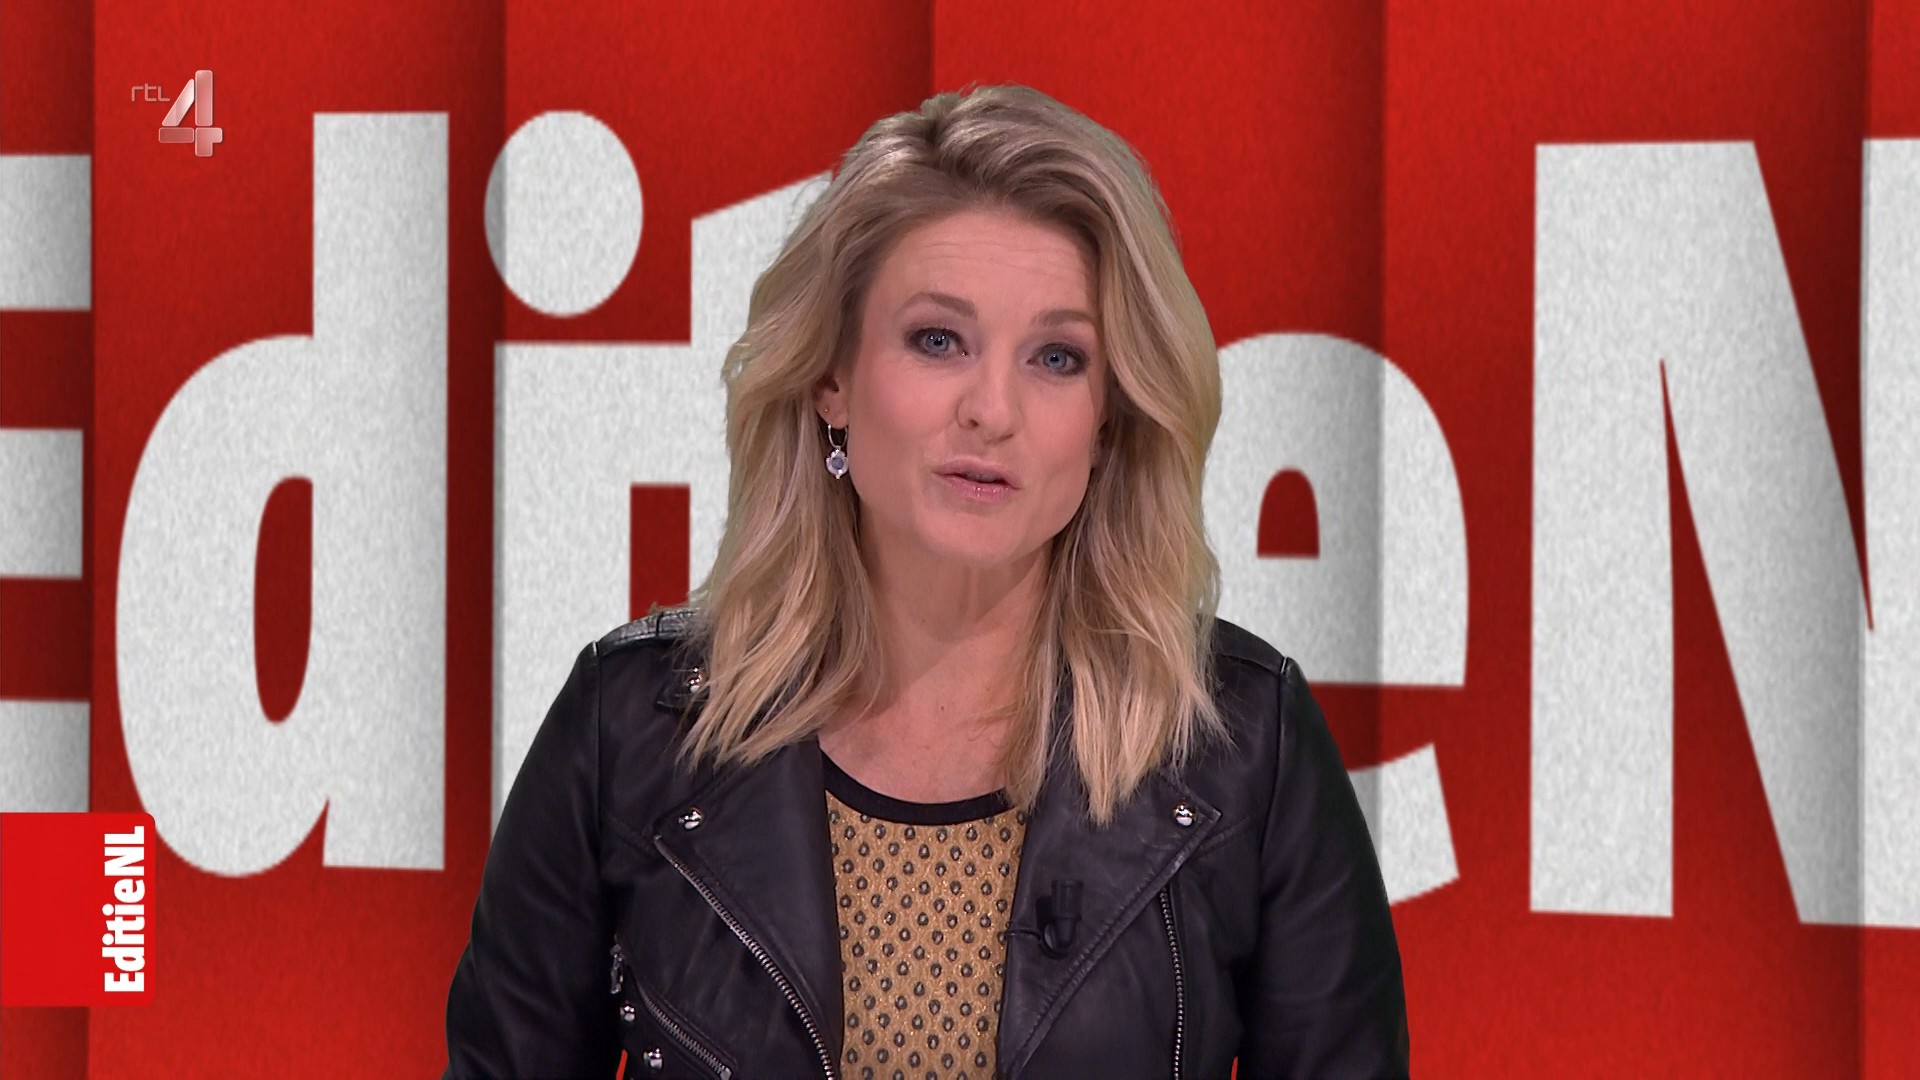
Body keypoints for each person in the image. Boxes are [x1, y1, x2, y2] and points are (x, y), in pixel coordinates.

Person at [443, 82, 1409, 1079]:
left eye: (1057, 357)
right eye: (938, 340)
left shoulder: (1242, 748)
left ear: (1108, 422)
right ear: (831, 378)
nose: (992, 409)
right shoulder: (632, 730)